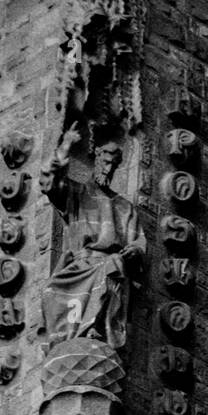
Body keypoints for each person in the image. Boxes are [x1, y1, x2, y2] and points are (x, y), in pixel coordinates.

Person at [39, 127, 145, 351]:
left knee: (112, 268)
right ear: (96, 160)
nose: (108, 169)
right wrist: (66, 145)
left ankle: (96, 331)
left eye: (113, 166)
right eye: (105, 163)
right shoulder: (77, 193)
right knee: (51, 292)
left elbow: (138, 241)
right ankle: (68, 338)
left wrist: (135, 250)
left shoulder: (125, 207)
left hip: (110, 264)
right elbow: (49, 183)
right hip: (80, 264)